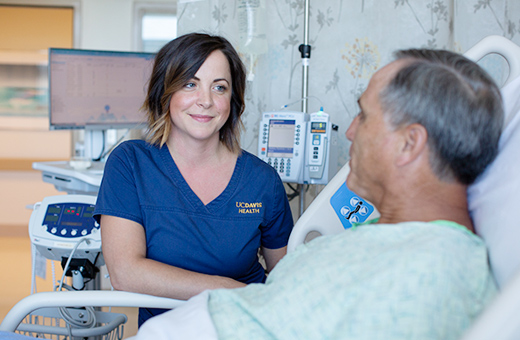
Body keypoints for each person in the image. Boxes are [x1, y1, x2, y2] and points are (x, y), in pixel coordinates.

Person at [129, 48, 503, 340]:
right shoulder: (386, 238)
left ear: (409, 143)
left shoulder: (429, 276)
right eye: (189, 84)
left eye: (364, 116)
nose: (351, 131)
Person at [93, 33, 294, 326]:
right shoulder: (130, 163)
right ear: (165, 92)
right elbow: (126, 273)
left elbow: (286, 280)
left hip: (243, 328)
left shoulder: (262, 180)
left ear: (233, 100)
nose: (206, 101)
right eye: (190, 84)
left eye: (220, 88)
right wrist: (235, 290)